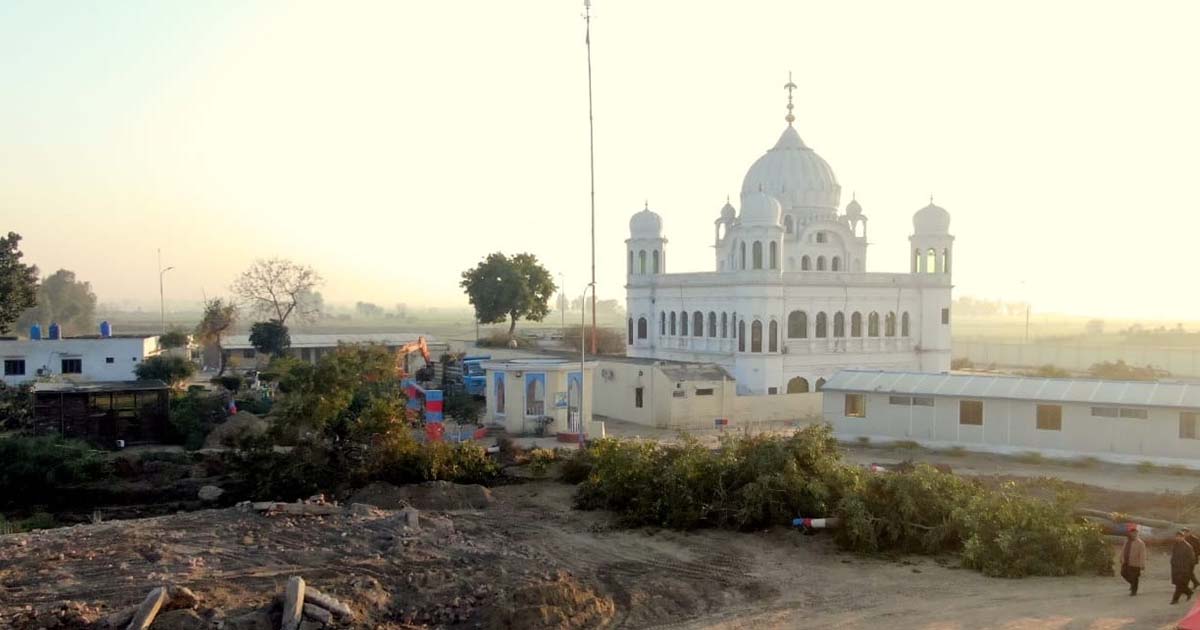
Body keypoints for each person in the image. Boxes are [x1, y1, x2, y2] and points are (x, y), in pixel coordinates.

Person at [1172, 529, 1197, 604]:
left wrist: (1188, 570)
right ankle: (1189, 592)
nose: (1178, 538)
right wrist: (1172, 562)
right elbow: (1174, 556)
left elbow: (1192, 559)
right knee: (1180, 584)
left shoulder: (1187, 547)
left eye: (1180, 537)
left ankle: (1175, 600)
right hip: (1176, 569)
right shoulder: (1176, 545)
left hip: (1184, 570)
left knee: (1179, 585)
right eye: (1177, 537)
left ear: (1183, 537)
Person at [1121, 525, 1147, 596]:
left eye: (1135, 533)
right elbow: (1123, 550)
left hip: (1135, 563)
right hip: (1126, 562)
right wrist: (1121, 558)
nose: (1133, 534)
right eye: (1132, 532)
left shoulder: (1140, 543)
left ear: (1137, 533)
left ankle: (1134, 591)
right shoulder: (1127, 541)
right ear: (1130, 533)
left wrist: (1142, 564)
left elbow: (1143, 555)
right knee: (1123, 573)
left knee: (1135, 577)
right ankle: (1132, 584)